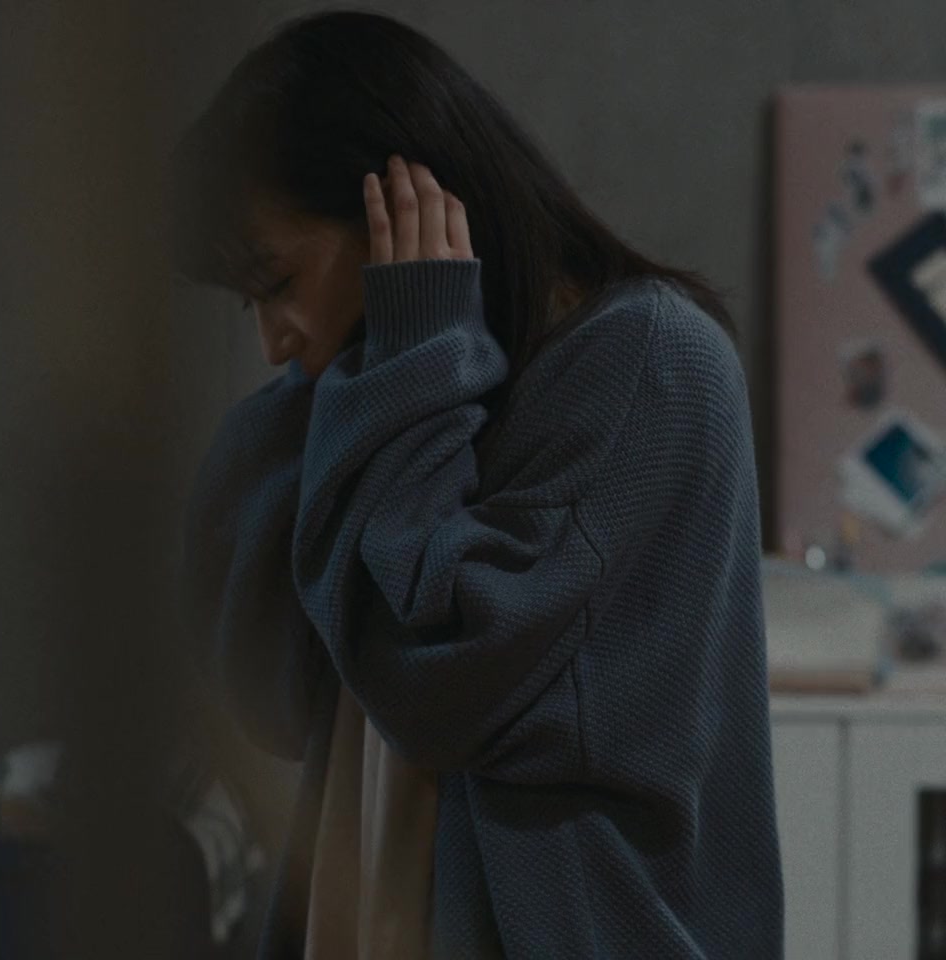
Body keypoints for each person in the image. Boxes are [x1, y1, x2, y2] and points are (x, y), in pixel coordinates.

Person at [171, 9, 783, 959]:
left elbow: (440, 681)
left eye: (278, 283)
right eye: (249, 301)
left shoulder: (649, 364)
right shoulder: (395, 393)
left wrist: (410, 350)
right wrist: (360, 376)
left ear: (396, 204)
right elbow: (268, 690)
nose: (272, 341)